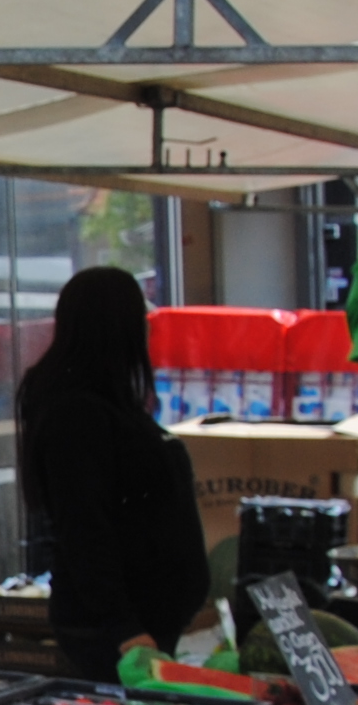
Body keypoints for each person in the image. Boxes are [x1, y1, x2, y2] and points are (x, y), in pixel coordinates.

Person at [11, 265, 209, 680]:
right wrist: (125, 628)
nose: (147, 330)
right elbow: (84, 528)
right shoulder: (77, 415)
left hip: (142, 625)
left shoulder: (107, 403)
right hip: (116, 636)